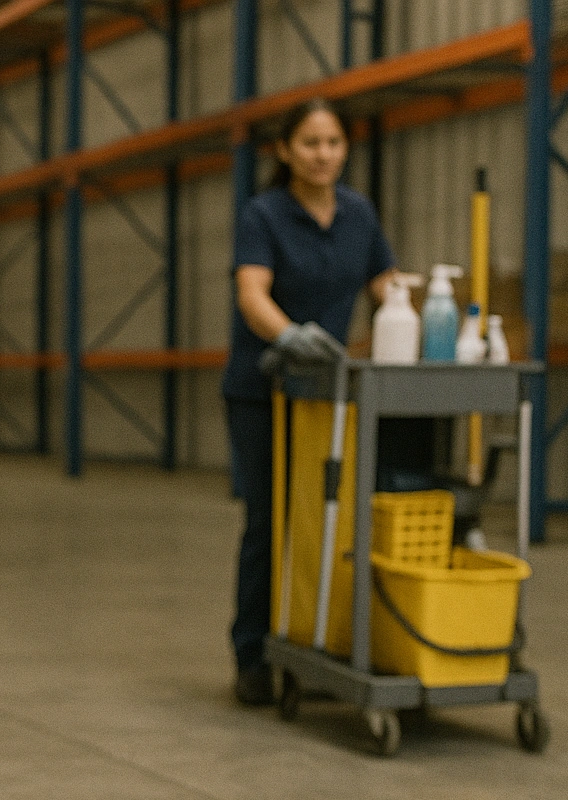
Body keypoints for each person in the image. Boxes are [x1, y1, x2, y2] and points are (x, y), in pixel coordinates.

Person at [223, 98, 395, 706]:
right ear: (285, 151)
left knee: (329, 522)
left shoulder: (359, 214)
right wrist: (289, 334)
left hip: (332, 393)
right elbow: (252, 294)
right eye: (310, 143)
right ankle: (254, 655)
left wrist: (406, 313)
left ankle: (315, 644)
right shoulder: (263, 214)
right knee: (271, 520)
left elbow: (383, 284)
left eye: (333, 143)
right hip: (263, 389)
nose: (323, 155)